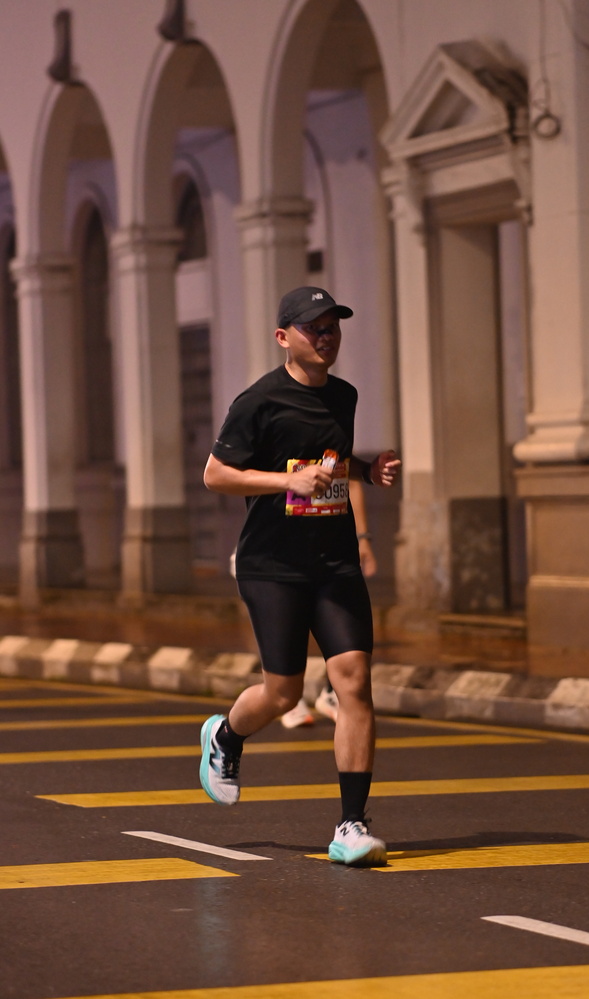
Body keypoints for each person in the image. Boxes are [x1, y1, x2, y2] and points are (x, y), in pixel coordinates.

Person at [199, 285, 401, 867]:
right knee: (283, 692)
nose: (326, 336)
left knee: (353, 681)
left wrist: (366, 469)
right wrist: (286, 481)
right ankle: (226, 736)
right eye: (314, 327)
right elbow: (216, 474)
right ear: (284, 337)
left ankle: (351, 825)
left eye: (333, 325)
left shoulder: (344, 395)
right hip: (273, 567)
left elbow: (328, 462)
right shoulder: (259, 401)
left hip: (334, 563)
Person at [281, 478, 376, 728]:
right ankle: (289, 698)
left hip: (331, 554)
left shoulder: (337, 453)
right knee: (287, 628)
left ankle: (330, 692)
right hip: (277, 553)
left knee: (347, 645)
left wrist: (363, 537)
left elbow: (351, 482)